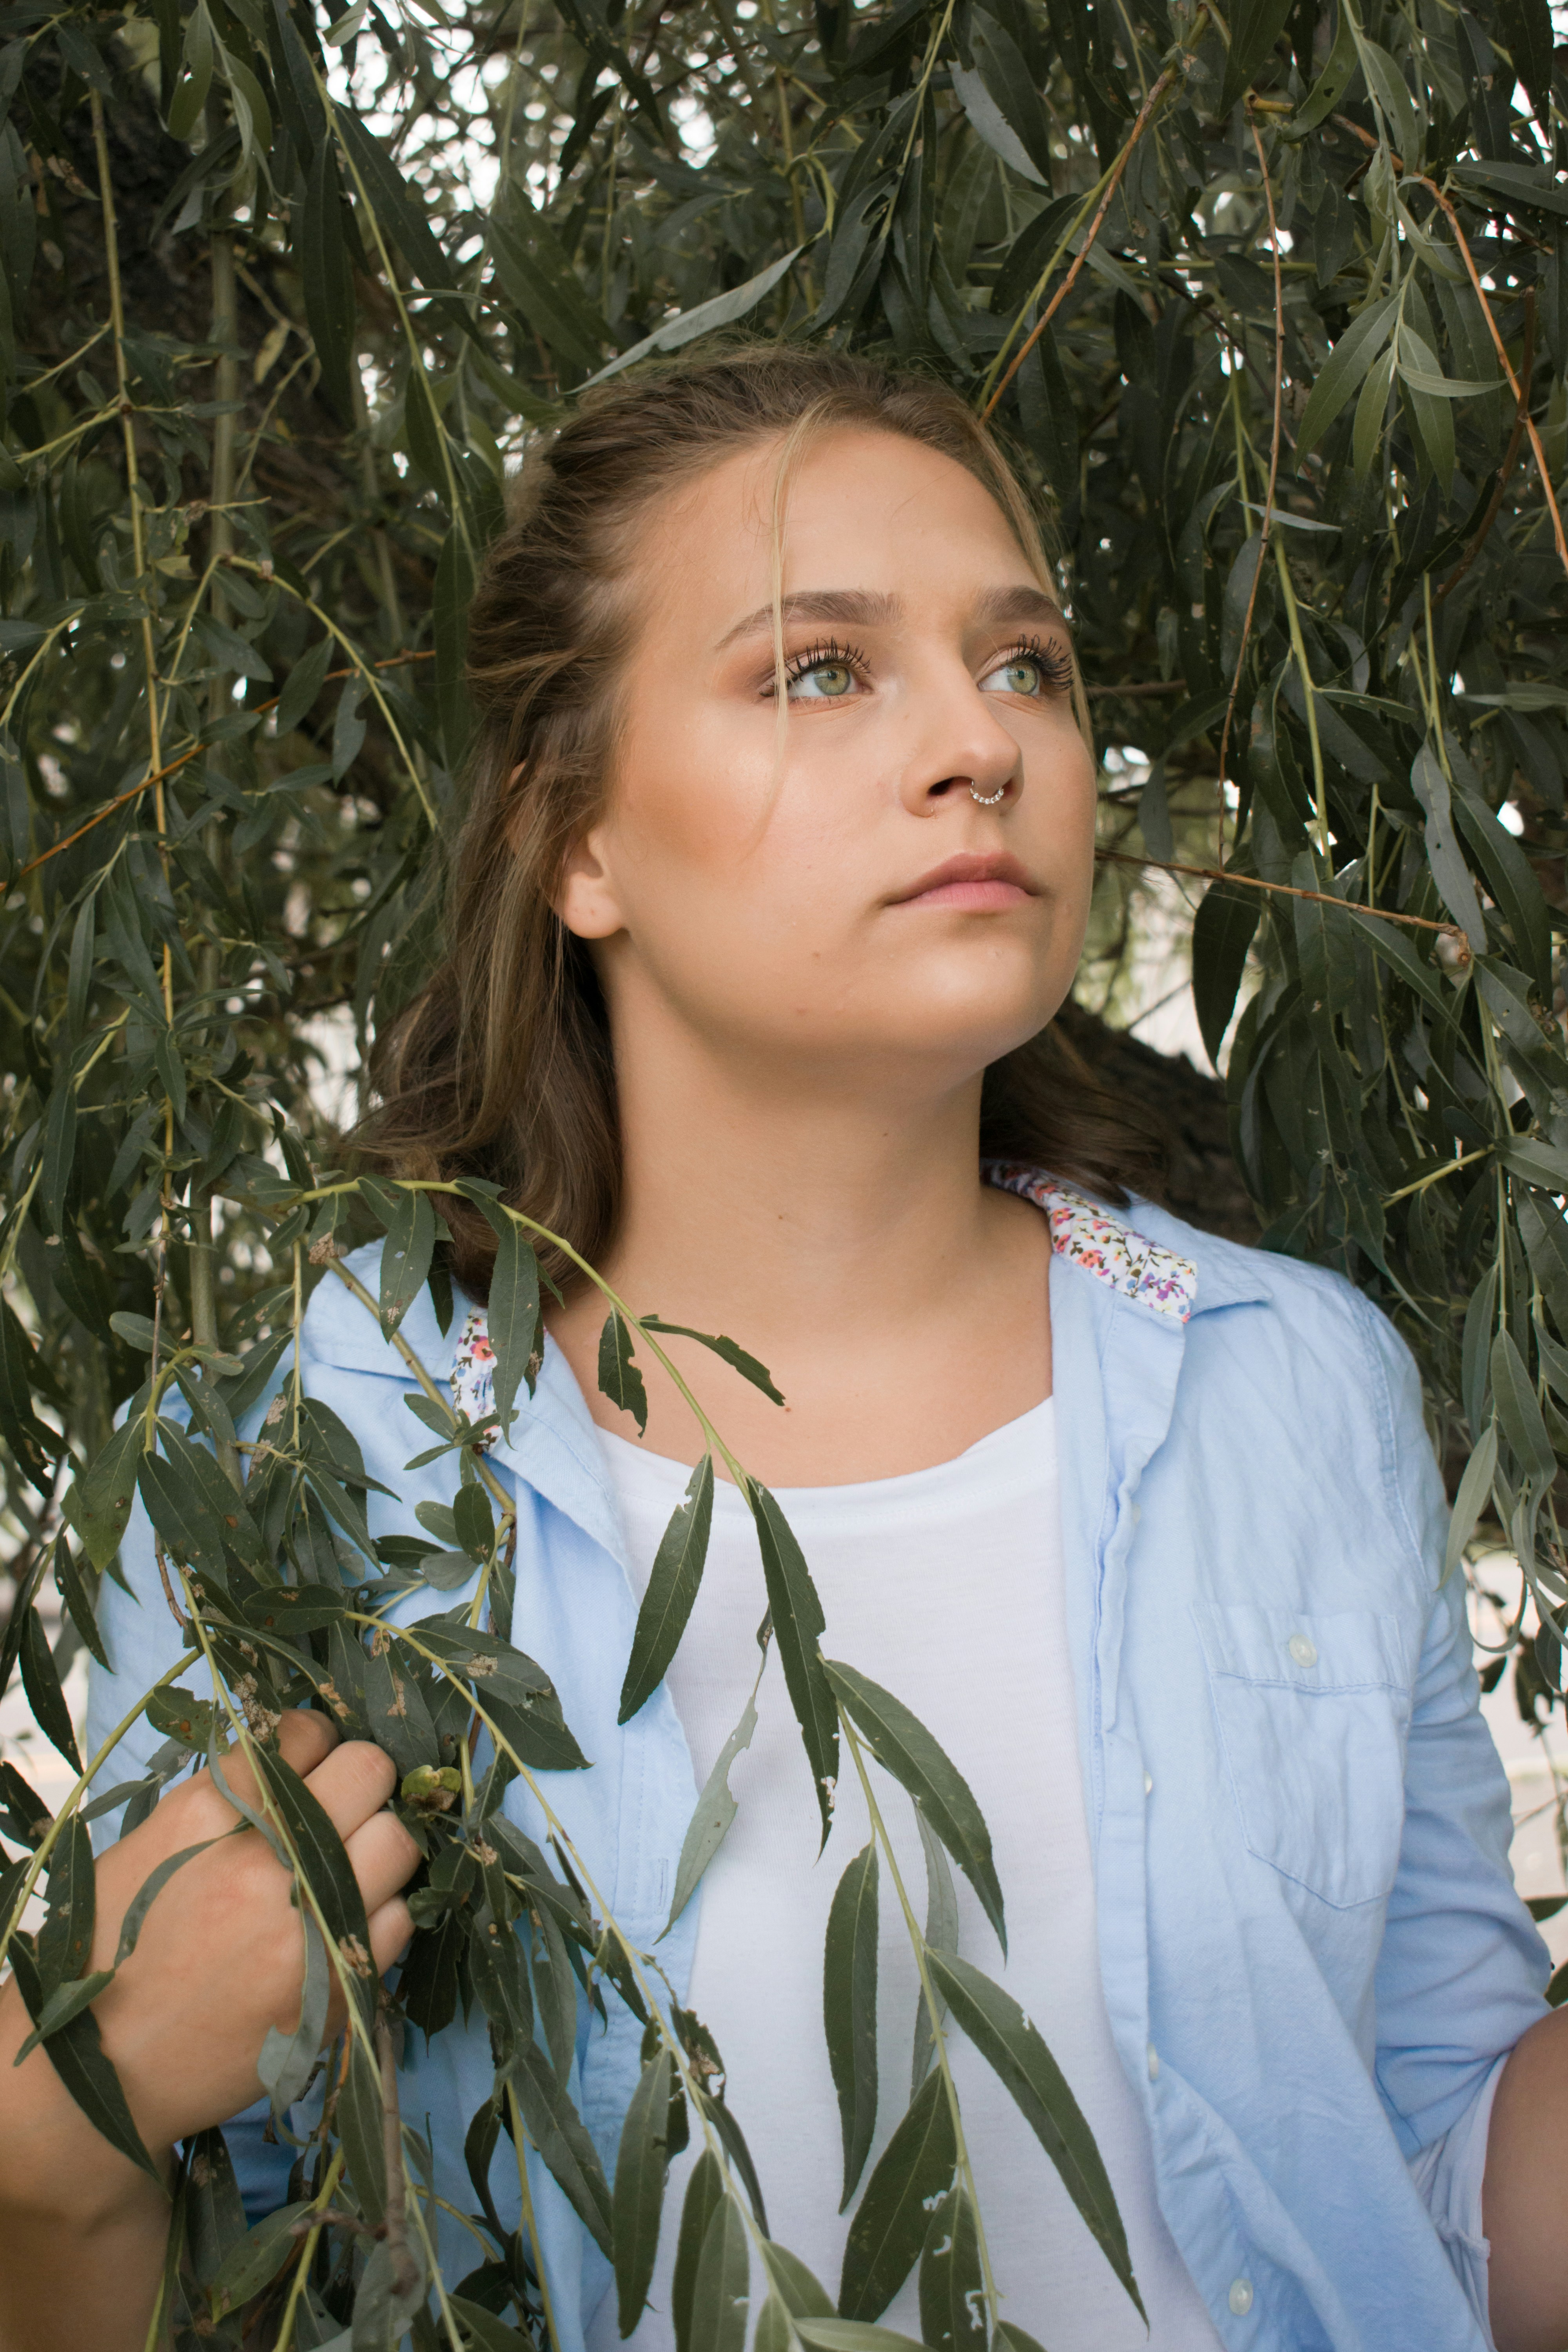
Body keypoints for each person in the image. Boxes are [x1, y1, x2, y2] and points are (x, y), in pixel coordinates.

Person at [1, 344, 1564, 2352]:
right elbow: (220, 2281)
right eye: (820, 669)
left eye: (1029, 666)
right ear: (579, 844)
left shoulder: (1288, 1382)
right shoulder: (311, 1478)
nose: (978, 744)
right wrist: (66, 2124)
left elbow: (1430, 2145)